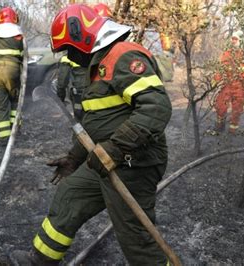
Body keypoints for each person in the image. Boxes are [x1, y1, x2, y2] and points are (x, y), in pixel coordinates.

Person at [10, 4, 172, 265]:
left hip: (133, 163)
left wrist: (115, 149)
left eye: (70, 48)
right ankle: (41, 260)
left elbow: (157, 107)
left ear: (83, 37)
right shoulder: (95, 68)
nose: (70, 55)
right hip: (104, 158)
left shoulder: (123, 55)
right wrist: (74, 158)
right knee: (70, 195)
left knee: (136, 236)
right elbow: (95, 123)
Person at [0, 7, 24, 143]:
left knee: (1, 105)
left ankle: (4, 138)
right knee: (15, 101)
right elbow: (24, 55)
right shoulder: (19, 36)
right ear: (15, 19)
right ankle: (16, 133)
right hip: (13, 71)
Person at [213, 30, 244, 134]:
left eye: (235, 39)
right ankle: (219, 126)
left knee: (237, 109)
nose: (233, 41)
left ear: (240, 41)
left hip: (240, 86)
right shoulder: (227, 53)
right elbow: (220, 68)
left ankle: (233, 130)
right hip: (227, 84)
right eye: (232, 39)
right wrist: (216, 81)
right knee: (221, 106)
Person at [56, 55, 87, 121]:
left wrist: (60, 98)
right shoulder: (96, 50)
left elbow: (62, 82)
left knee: (79, 116)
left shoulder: (67, 57)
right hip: (97, 90)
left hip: (79, 93)